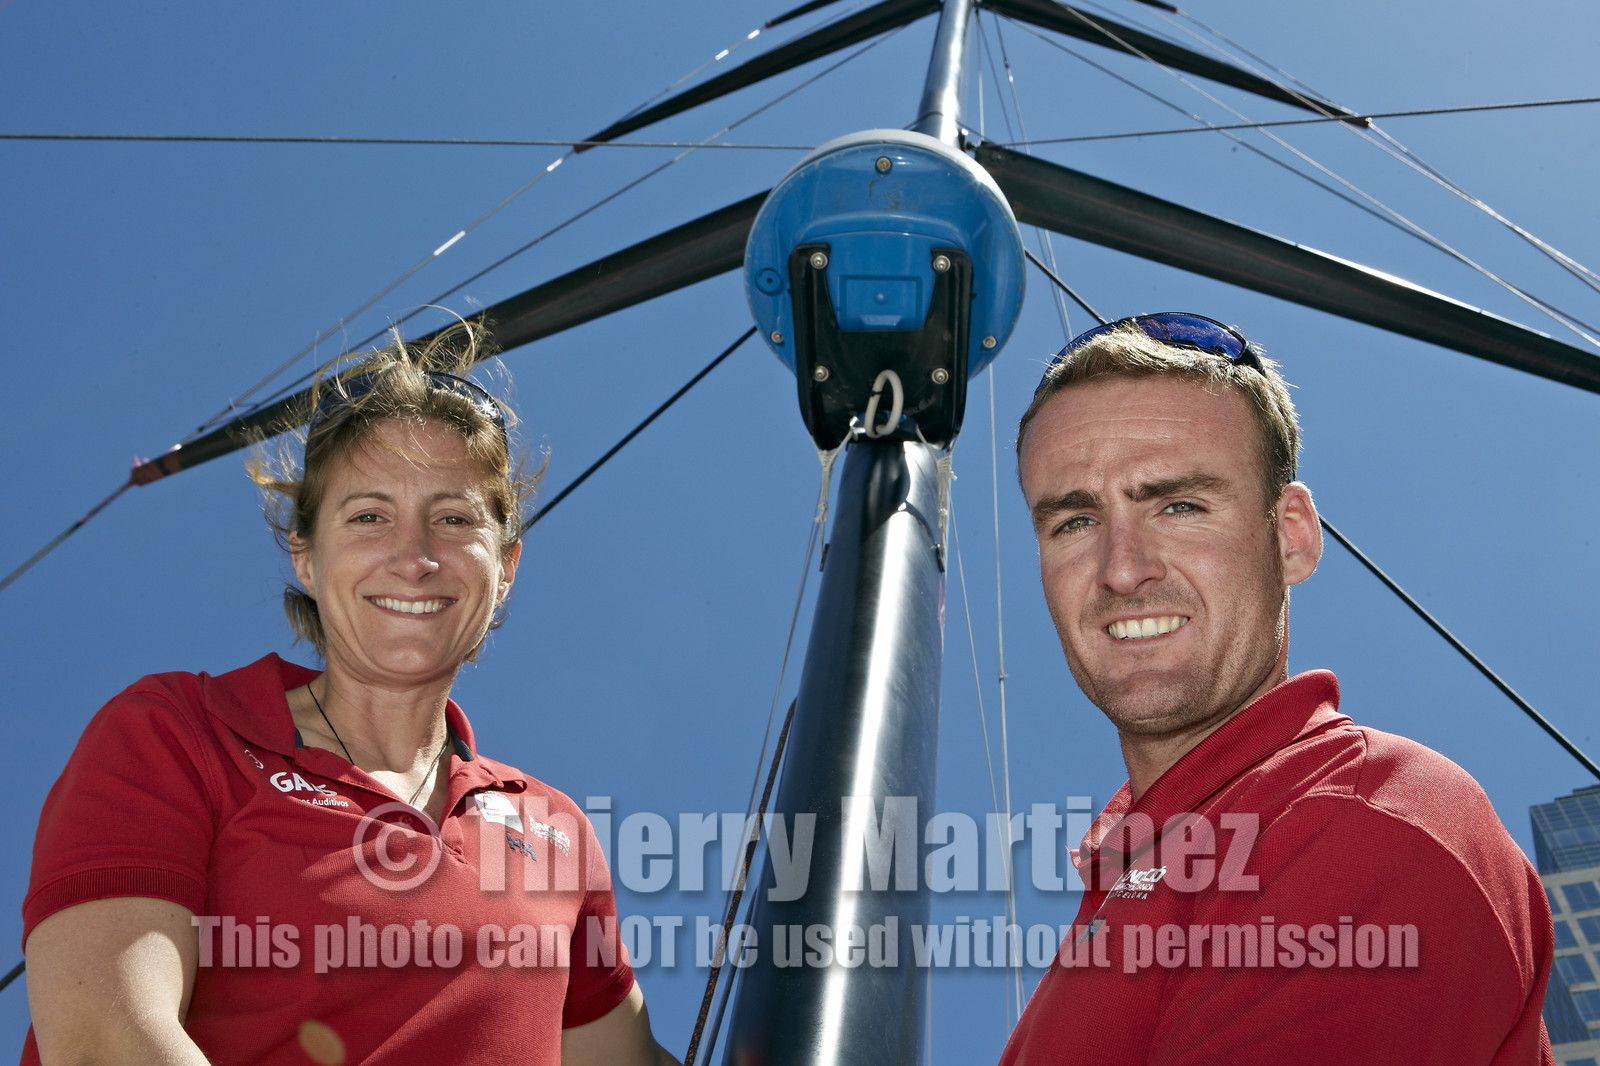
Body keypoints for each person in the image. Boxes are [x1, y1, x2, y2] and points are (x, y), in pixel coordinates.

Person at [21, 324, 679, 1065]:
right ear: (305, 554)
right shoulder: (178, 733)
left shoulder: (555, 827)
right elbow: (105, 1042)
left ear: (505, 569)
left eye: (455, 519)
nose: (414, 556)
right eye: (369, 516)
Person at [1001, 313, 1554, 1064]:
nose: (1121, 569)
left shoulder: (1360, 817)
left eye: (1180, 506)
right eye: (1072, 521)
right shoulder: (1139, 877)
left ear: (1291, 536)